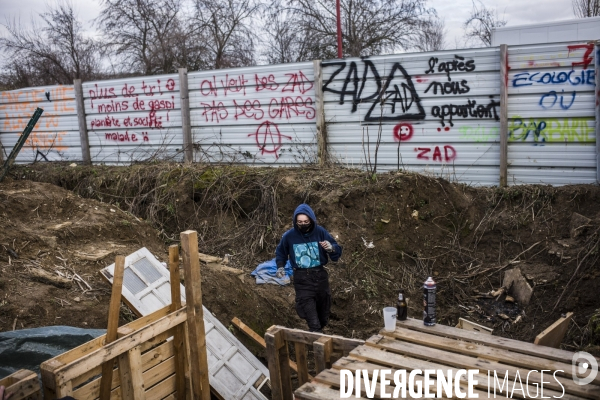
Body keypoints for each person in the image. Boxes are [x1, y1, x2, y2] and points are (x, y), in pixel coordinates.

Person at [276, 204, 342, 332]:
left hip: (320, 277)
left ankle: (320, 332)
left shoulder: (320, 232)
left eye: (306, 221)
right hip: (302, 279)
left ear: (311, 220)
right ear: (295, 221)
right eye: (300, 222)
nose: (303, 224)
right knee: (313, 322)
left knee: (323, 317)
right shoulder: (289, 236)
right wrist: (280, 266)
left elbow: (336, 249)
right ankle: (318, 344)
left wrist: (331, 248)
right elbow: (281, 252)